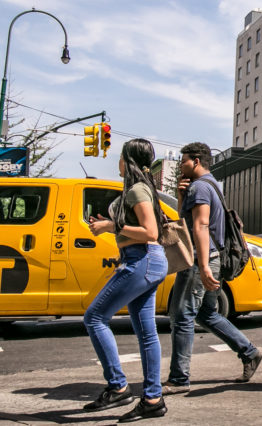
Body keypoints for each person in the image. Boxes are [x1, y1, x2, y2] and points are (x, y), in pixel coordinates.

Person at [163, 142, 262, 394]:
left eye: (183, 160)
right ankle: (249, 352)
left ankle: (178, 378)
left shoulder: (199, 187)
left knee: (182, 316)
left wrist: (204, 265)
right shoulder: (212, 185)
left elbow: (201, 226)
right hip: (208, 258)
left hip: (199, 260)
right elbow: (186, 221)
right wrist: (181, 196)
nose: (180, 165)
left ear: (196, 161)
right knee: (206, 314)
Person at [83, 138, 168, 422]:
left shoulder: (137, 189)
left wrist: (111, 225)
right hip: (146, 260)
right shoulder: (142, 188)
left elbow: (151, 232)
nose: (117, 163)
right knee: (146, 333)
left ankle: (118, 386)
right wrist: (111, 228)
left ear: (128, 160)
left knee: (94, 317)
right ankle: (152, 399)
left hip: (142, 260)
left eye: (120, 157)